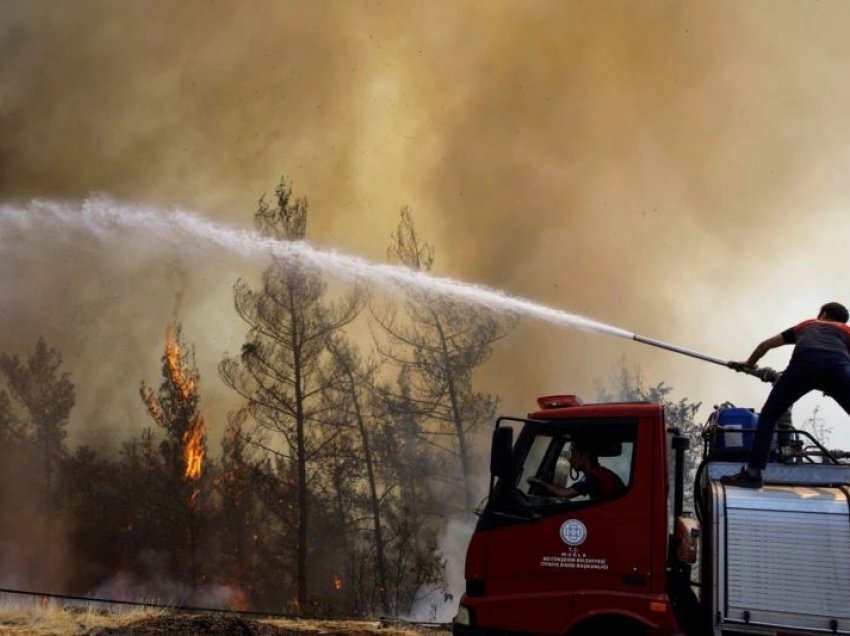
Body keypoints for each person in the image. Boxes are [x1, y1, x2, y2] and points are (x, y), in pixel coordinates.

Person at [722, 301, 850, 488]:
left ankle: (753, 473)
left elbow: (765, 345)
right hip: (837, 370)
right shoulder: (846, 332)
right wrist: (834, 386)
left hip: (802, 368)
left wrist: (748, 365)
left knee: (769, 416)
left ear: (822, 314)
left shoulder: (808, 325)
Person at [527, 438, 626, 500]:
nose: (570, 459)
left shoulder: (594, 477)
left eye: (574, 455)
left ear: (584, 457)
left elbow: (565, 493)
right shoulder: (601, 473)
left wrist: (541, 483)